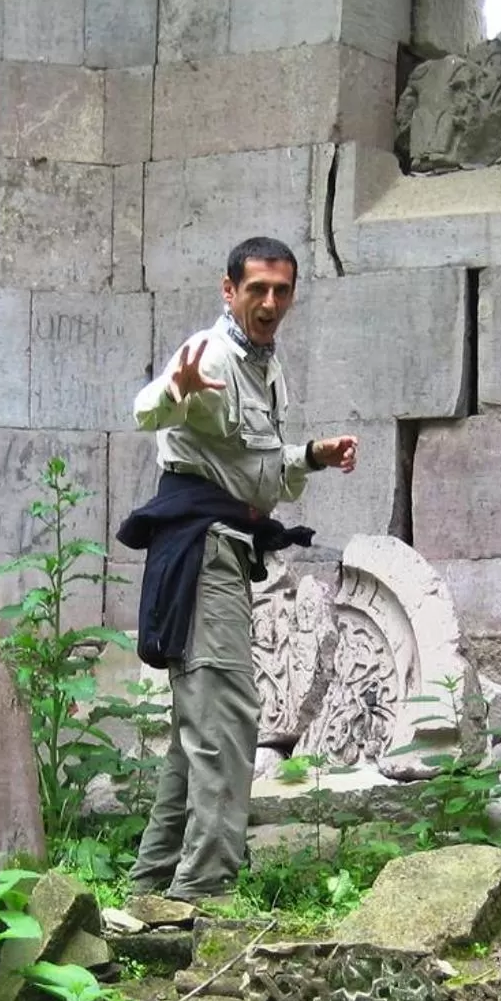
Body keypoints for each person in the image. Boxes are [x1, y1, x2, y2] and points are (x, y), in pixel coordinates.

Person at [116, 237, 358, 902]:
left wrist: (310, 456)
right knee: (226, 720)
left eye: (282, 290)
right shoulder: (213, 352)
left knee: (202, 724)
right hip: (203, 550)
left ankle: (154, 887)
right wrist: (177, 387)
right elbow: (147, 408)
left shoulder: (266, 365)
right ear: (230, 291)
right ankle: (203, 896)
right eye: (257, 289)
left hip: (223, 547)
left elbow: (254, 463)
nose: (270, 302)